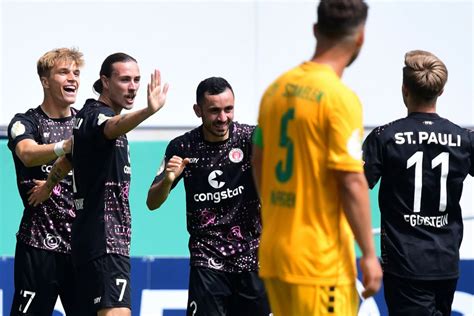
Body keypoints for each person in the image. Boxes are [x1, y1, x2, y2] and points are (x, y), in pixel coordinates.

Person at [251, 0, 382, 315]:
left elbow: (258, 158)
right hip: (319, 262)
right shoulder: (339, 99)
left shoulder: (276, 90)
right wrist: (368, 253)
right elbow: (351, 180)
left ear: (315, 30)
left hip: (276, 254)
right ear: (360, 38)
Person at [28, 52, 169, 316]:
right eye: (125, 79)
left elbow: (68, 159)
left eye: (137, 80)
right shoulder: (98, 116)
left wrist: (48, 186)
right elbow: (112, 126)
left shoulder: (83, 119)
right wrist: (149, 110)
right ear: (105, 81)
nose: (133, 87)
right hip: (106, 242)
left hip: (88, 242)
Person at [146, 77, 271, 316]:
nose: (222, 118)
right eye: (214, 111)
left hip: (253, 258)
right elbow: (152, 202)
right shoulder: (182, 147)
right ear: (198, 110)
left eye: (228, 109)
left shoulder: (251, 139)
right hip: (207, 260)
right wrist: (169, 180)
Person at [362, 50, 472, 315]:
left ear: (404, 89)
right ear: (441, 91)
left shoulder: (384, 137)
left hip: (404, 263)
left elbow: (358, 185)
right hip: (447, 262)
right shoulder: (464, 139)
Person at [7, 47, 84, 315]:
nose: (72, 78)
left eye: (76, 72)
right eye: (63, 72)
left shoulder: (86, 123)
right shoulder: (25, 122)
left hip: (82, 248)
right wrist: (67, 146)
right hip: (38, 246)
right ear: (44, 80)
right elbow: (27, 154)